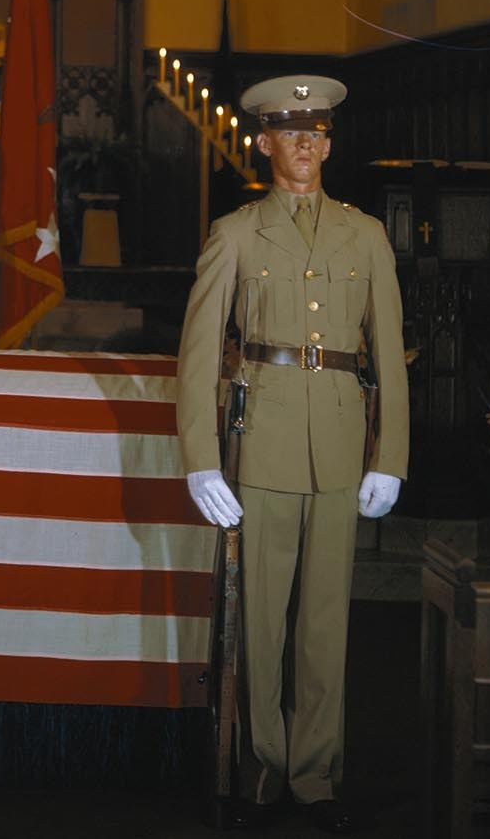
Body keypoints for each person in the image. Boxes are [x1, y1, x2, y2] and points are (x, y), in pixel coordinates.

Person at [175, 75, 409, 834]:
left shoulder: (365, 234)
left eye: (318, 132)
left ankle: (315, 769)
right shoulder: (236, 233)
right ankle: (263, 764)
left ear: (330, 144)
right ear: (264, 142)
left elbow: (390, 359)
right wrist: (200, 457)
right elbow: (200, 352)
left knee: (325, 623)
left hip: (341, 441)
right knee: (263, 620)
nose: (306, 144)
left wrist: (391, 455)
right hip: (263, 442)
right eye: (289, 131)